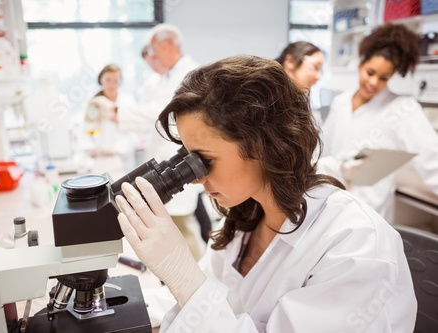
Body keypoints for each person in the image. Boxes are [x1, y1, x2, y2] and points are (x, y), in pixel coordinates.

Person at [114, 55, 416, 332]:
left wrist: (184, 277)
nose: (194, 179)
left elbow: (201, 300)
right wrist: (114, 308)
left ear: (262, 145)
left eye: (204, 160)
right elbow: (210, 306)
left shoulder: (355, 247)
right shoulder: (244, 218)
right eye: (188, 158)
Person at [319, 23, 438, 224]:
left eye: (384, 78)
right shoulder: (341, 102)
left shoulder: (402, 108)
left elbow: (432, 159)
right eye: (370, 72)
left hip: (368, 213)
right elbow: (326, 147)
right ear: (360, 65)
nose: (374, 82)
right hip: (332, 202)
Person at [137, 23, 206, 260]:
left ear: (168, 44)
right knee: (170, 228)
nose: (153, 55)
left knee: (182, 228)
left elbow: (161, 111)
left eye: (155, 49)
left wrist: (117, 110)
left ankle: (196, 284)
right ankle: (176, 281)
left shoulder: (190, 73)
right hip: (168, 160)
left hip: (179, 160)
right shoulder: (167, 76)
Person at [83, 63, 140, 171]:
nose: (111, 84)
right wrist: (92, 148)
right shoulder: (94, 103)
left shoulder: (128, 102)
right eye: (108, 80)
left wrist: (117, 149)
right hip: (99, 158)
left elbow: (134, 133)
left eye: (116, 81)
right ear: (101, 80)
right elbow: (87, 129)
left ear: (120, 82)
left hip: (124, 159)